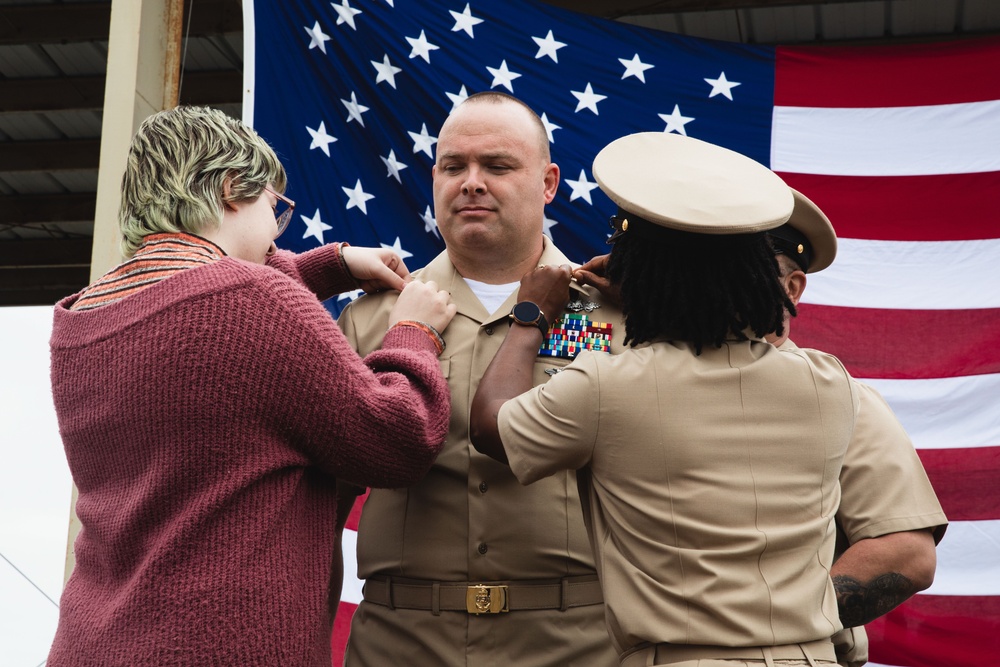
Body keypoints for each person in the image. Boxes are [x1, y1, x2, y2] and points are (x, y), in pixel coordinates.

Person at [46, 105, 456, 666]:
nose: (277, 230)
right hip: (221, 648)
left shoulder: (79, 321)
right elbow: (396, 438)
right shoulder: (254, 302)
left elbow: (194, 302)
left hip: (92, 643)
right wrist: (414, 331)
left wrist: (330, 263)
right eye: (275, 208)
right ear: (232, 189)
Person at [470, 130, 888, 666]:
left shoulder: (609, 385)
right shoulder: (827, 380)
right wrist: (666, 301)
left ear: (644, 274)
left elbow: (490, 425)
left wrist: (531, 316)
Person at [336, 91, 624, 666]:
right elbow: (317, 498)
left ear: (548, 183)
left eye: (496, 166)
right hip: (404, 642)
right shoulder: (370, 319)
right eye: (453, 167)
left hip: (575, 644)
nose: (470, 182)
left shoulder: (615, 315)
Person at [766, 189, 947, 666]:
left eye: (746, 271)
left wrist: (765, 629)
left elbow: (906, 554)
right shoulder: (643, 376)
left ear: (793, 288)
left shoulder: (840, 397)